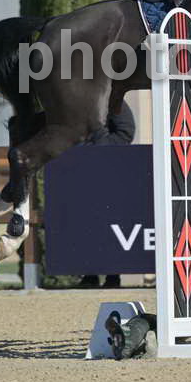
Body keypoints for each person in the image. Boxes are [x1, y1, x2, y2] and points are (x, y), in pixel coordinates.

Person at [78, 102, 136, 288]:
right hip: (81, 169)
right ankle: (89, 274)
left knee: (112, 224)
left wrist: (98, 147)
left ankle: (113, 275)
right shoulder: (74, 99)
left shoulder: (112, 98)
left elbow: (126, 132)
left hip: (110, 170)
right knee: (84, 224)